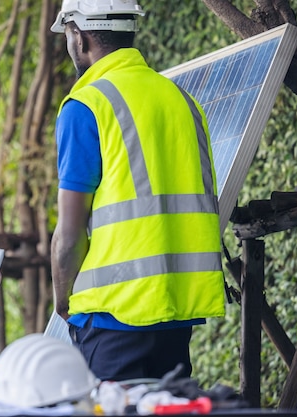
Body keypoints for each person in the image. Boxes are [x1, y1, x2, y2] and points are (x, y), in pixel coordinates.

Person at [49, 0, 225, 383]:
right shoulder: (183, 101)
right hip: (176, 310)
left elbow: (69, 233)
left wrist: (63, 298)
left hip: (114, 316)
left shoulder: (86, 105)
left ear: (78, 36)